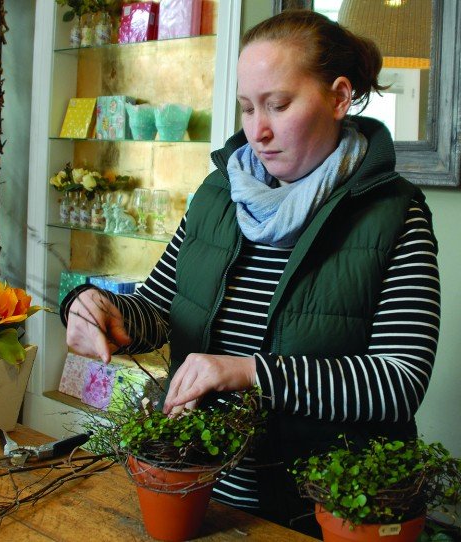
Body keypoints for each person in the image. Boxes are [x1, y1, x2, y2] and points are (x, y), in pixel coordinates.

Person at [62, 9, 440, 537]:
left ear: (338, 97)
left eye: (278, 105)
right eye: (246, 108)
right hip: (206, 502)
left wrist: (251, 371)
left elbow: (398, 383)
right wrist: (95, 307)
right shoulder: (220, 195)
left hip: (319, 515)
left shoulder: (395, 213)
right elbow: (157, 310)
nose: (257, 131)